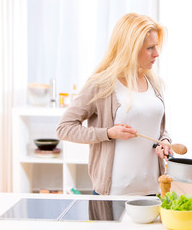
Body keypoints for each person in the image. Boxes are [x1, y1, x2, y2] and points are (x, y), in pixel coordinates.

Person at [56, 13, 173, 195]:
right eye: (150, 48)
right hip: (114, 193)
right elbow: (64, 128)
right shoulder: (101, 85)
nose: (157, 53)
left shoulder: (154, 83)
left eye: (156, 46)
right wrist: (108, 133)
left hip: (152, 190)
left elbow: (157, 127)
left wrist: (164, 141)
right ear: (130, 48)